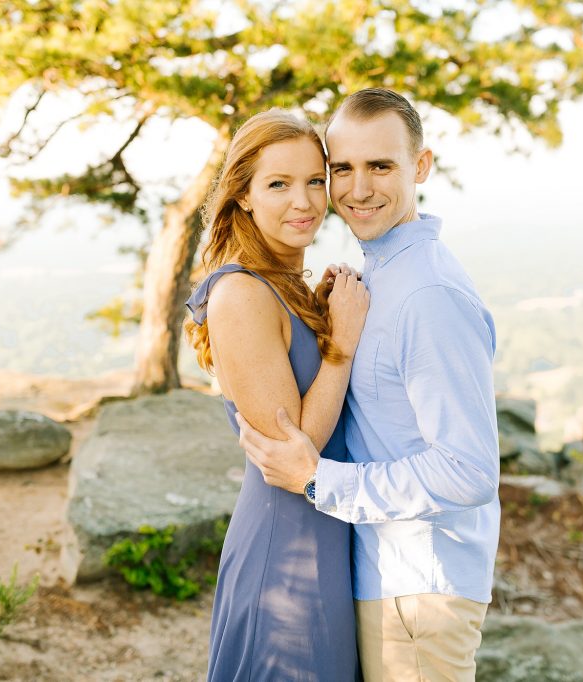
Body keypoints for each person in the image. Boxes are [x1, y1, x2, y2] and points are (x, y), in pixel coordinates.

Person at [236, 89, 500, 681]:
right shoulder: (383, 276)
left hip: (419, 589)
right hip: (390, 578)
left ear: (421, 167)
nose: (357, 189)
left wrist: (319, 480)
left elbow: (469, 470)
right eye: (342, 169)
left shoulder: (428, 296)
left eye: (380, 166)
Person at [183, 109, 369, 681]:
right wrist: (340, 343)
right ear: (242, 195)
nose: (306, 202)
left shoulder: (284, 283)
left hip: (329, 538)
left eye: (316, 180)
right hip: (285, 555)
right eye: (279, 184)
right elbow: (298, 448)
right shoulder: (240, 293)